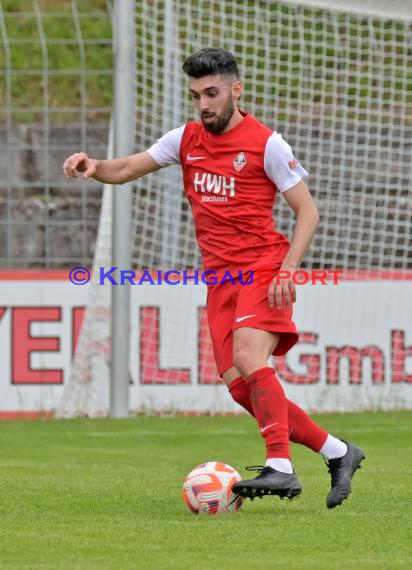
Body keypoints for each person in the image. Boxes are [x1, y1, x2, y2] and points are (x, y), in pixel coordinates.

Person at [63, 48, 365, 509]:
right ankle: (337, 451)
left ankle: (281, 466)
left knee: (249, 353)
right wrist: (93, 167)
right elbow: (123, 169)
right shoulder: (185, 139)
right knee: (242, 387)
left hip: (264, 267)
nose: (203, 104)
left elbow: (308, 211)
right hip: (220, 280)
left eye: (212, 93)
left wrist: (289, 268)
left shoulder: (267, 144)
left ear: (235, 89)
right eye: (196, 96)